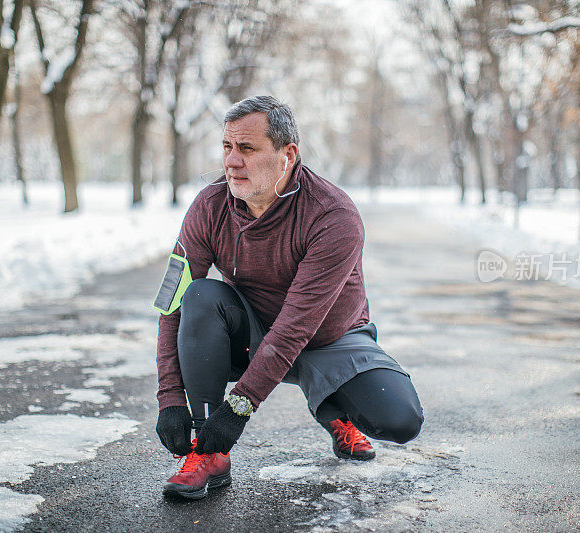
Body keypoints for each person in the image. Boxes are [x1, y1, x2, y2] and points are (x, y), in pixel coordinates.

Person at [154, 96, 423, 500]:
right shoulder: (209, 206)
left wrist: (240, 409)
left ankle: (336, 409)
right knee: (199, 296)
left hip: (330, 340)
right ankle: (209, 451)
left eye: (247, 149)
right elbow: (170, 302)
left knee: (400, 420)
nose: (231, 161)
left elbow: (297, 325)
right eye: (227, 147)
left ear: (287, 154)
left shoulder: (333, 215)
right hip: (251, 332)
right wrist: (170, 398)